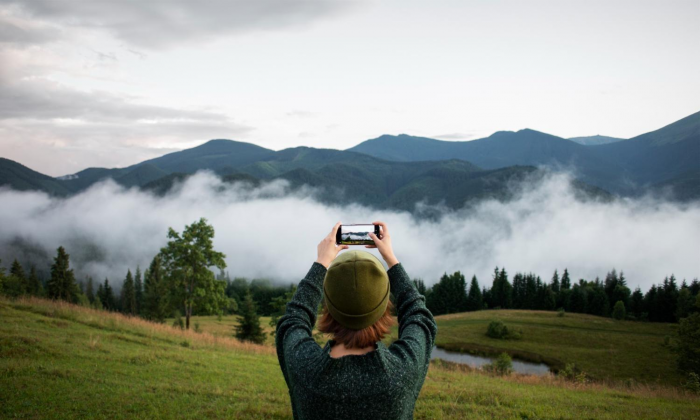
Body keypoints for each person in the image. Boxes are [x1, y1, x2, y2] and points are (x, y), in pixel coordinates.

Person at [275, 221, 437, 419]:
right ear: (385, 306)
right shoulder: (402, 372)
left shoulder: (304, 367)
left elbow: (293, 319)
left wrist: (321, 264)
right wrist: (391, 259)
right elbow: (419, 315)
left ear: (328, 308)